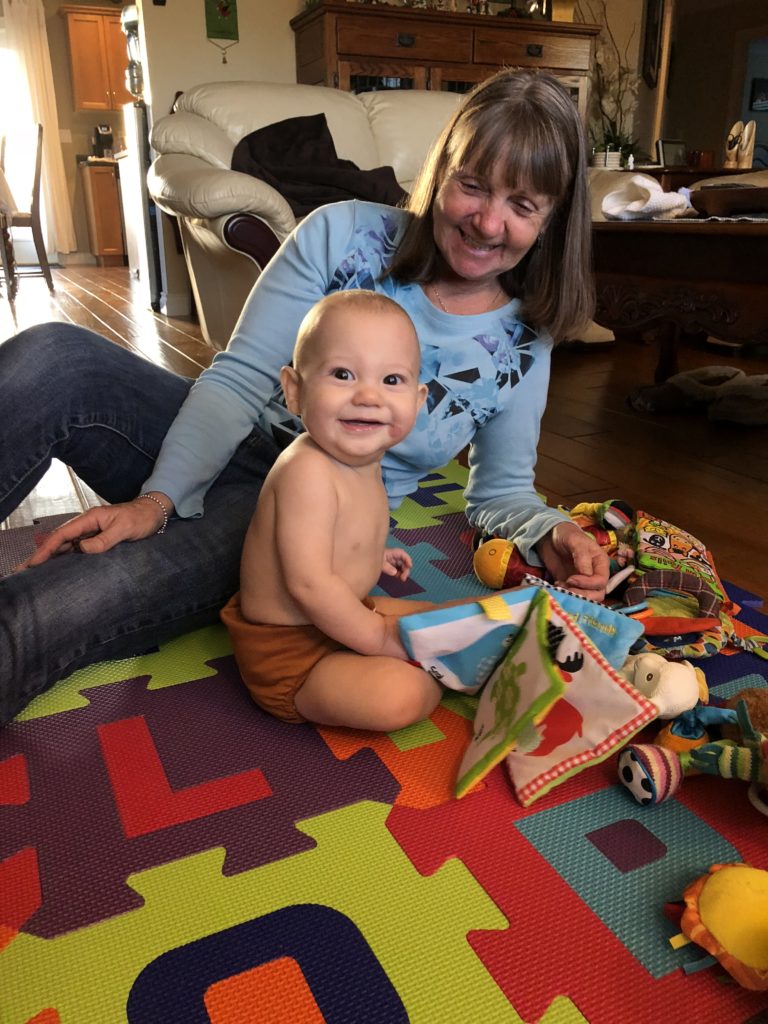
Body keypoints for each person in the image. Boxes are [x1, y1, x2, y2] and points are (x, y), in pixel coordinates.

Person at [0, 68, 609, 726]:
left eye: (521, 206)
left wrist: (555, 531)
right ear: (444, 171)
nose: (487, 221)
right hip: (223, 437)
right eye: (472, 186)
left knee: (50, 610)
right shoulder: (340, 233)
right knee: (54, 355)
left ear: (552, 220)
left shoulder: (523, 343)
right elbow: (238, 378)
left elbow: (499, 493)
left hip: (298, 529)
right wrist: (159, 498)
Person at [221, 289, 445, 730]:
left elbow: (334, 535)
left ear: (418, 402)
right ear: (295, 390)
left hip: (345, 612)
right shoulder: (307, 470)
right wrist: (378, 637)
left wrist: (369, 556)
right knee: (399, 697)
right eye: (343, 374)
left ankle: (478, 641)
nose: (368, 396)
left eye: (392, 380)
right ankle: (450, 670)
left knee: (449, 616)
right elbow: (307, 583)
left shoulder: (363, 455)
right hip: (291, 652)